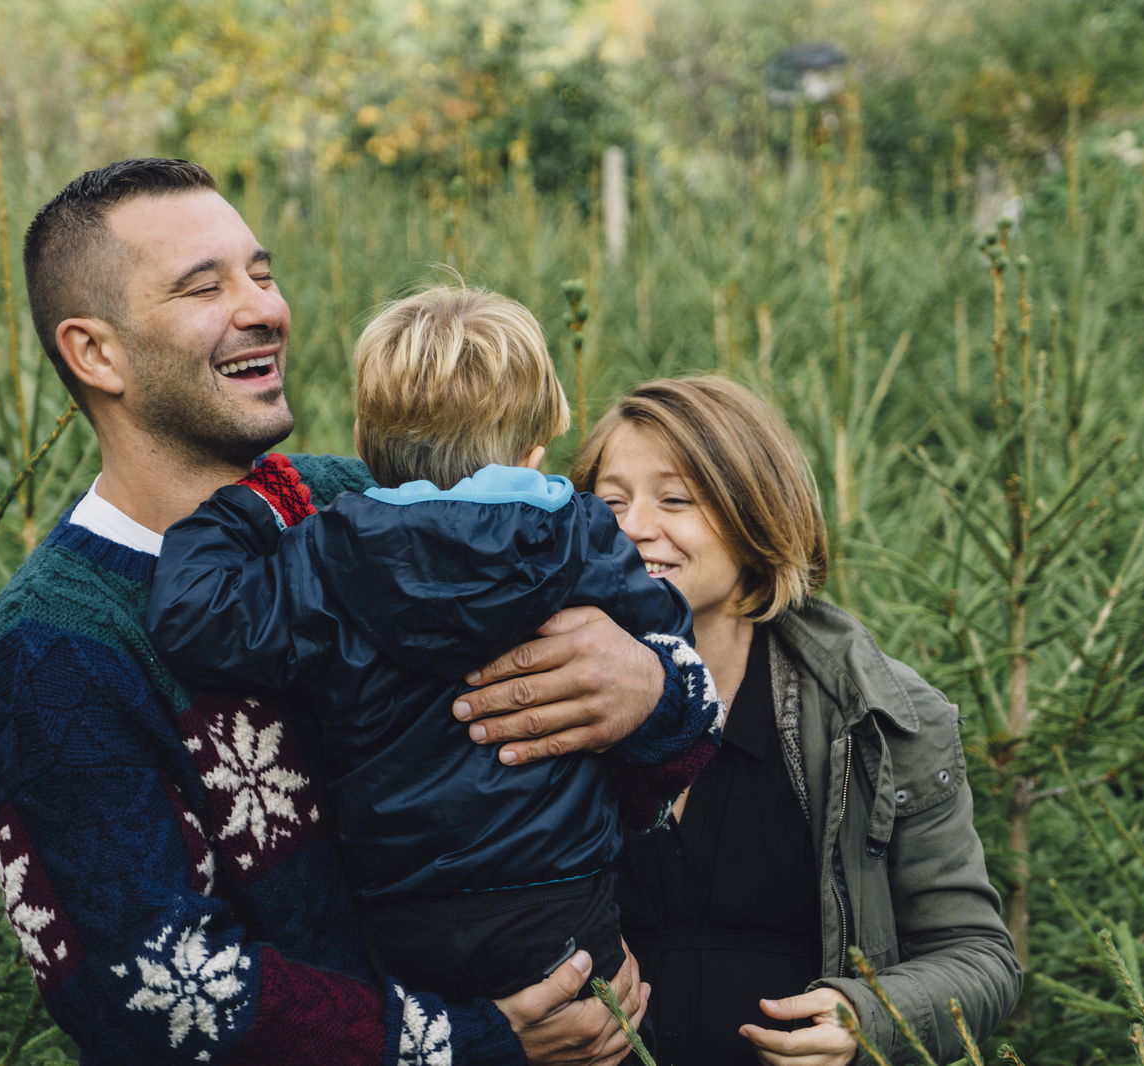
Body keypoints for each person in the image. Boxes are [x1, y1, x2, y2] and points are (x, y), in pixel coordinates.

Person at [0, 158, 715, 1066]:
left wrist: (646, 683)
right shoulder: (46, 656)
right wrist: (476, 1042)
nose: (265, 309)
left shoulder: (360, 502)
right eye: (206, 287)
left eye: (263, 274)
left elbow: (665, 760)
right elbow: (156, 989)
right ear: (96, 352)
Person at [145, 285, 724, 1001]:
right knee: (598, 1034)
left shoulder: (324, 553)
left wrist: (235, 505)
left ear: (363, 443)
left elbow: (197, 620)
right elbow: (667, 642)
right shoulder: (580, 536)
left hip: (401, 905)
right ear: (535, 446)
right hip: (564, 892)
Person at [570, 376, 1021, 1066]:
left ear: (755, 519)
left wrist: (870, 1016)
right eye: (611, 503)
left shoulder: (877, 717)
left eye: (675, 500)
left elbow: (979, 957)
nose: (634, 527)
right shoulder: (540, 699)